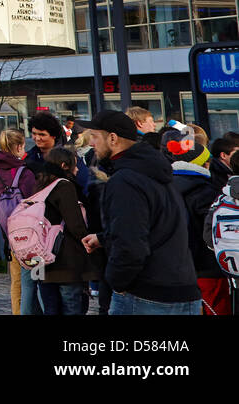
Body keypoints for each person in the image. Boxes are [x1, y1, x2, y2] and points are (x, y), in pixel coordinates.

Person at [77, 110, 201, 315]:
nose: (91, 143)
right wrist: (104, 238)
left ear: (113, 138)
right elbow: (155, 225)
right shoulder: (154, 170)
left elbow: (131, 245)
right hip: (181, 288)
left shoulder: (125, 180)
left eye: (95, 136)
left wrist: (116, 281)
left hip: (147, 294)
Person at [162, 125, 228, 315]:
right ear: (205, 164)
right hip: (207, 267)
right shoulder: (207, 191)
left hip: (173, 267)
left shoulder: (163, 188)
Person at [31, 147, 98, 315]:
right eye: (74, 165)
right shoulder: (64, 186)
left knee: (50, 308)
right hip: (65, 262)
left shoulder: (39, 186)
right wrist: (89, 240)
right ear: (64, 165)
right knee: (71, 309)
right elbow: (75, 224)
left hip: (41, 261)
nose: (77, 170)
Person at [0, 128, 38, 315]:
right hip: (29, 237)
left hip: (8, 235)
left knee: (16, 281)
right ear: (19, 146)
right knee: (33, 281)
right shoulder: (25, 173)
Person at [26, 112, 90, 195]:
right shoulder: (29, 157)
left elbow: (84, 184)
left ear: (53, 136)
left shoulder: (68, 156)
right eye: (34, 134)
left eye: (42, 134)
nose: (37, 138)